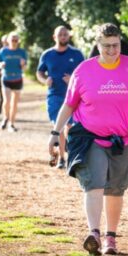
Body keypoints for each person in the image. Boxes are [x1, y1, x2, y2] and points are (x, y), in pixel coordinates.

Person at [48, 23, 128, 255]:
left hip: (123, 139)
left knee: (115, 190)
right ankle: (93, 233)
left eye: (116, 45)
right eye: (106, 46)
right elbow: (69, 104)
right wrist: (55, 133)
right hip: (91, 137)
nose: (112, 51)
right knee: (94, 184)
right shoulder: (84, 71)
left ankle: (110, 238)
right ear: (97, 45)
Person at [37, 26, 84, 169]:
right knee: (59, 126)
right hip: (54, 96)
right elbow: (39, 73)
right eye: (60, 34)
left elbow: (85, 74)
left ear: (69, 36)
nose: (63, 36)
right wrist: (45, 80)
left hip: (73, 96)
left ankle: (69, 156)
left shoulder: (76, 54)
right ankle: (61, 159)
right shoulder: (47, 54)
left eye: (65, 34)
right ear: (54, 37)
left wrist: (73, 80)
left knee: (70, 126)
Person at [0, 32, 27, 132]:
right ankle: (5, 117)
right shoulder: (3, 51)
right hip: (6, 79)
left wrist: (23, 65)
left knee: (14, 103)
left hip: (18, 79)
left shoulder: (22, 52)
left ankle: (12, 124)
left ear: (18, 41)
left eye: (16, 40)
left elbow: (25, 67)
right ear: (8, 41)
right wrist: (0, 64)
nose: (14, 42)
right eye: (12, 40)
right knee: (7, 101)